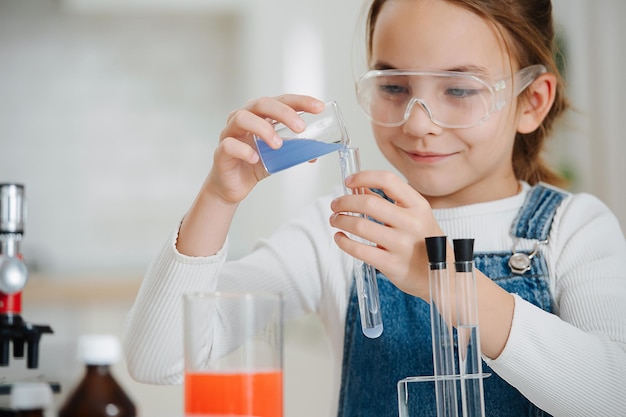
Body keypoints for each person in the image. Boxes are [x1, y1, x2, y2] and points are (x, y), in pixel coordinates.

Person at [123, 0, 626, 416]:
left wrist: (446, 278)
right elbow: (158, 359)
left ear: (531, 102)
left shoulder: (574, 229)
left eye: (459, 89)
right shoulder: (340, 230)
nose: (419, 122)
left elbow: (611, 396)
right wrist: (218, 197)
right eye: (393, 87)